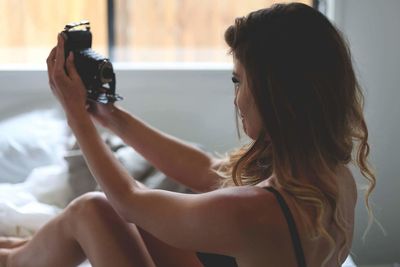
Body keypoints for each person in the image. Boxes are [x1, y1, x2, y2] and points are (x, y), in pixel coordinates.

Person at [0, 2, 375, 267]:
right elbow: (211, 171)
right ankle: (24, 248)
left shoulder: (255, 212)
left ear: (275, 96)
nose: (237, 99)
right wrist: (110, 116)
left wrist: (76, 118)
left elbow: (129, 201)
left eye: (238, 80)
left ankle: (14, 260)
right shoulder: (331, 178)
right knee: (142, 227)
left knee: (94, 210)